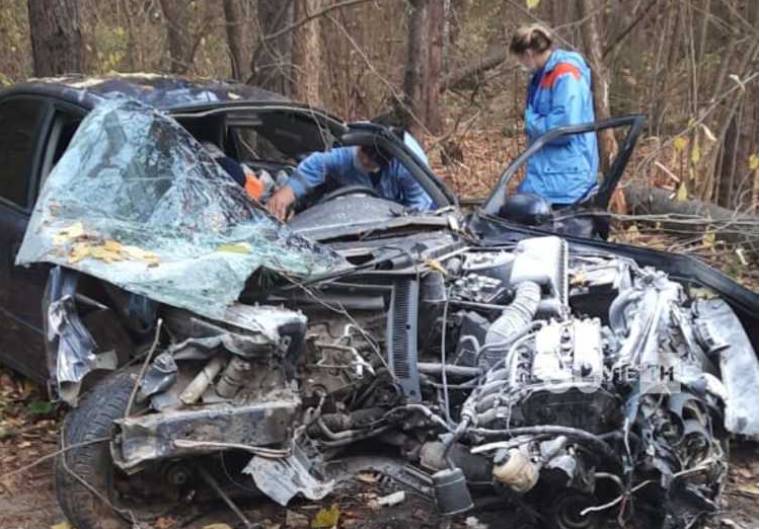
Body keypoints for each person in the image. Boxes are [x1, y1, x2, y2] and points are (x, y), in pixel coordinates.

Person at [509, 24, 599, 206]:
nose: (522, 64)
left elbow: (563, 129)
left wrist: (530, 121)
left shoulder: (565, 74)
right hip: (552, 173)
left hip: (566, 178)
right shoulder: (543, 76)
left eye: (520, 59)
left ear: (528, 54)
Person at [265, 130, 434, 220]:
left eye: (373, 162)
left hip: (391, 216)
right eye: (364, 154)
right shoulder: (347, 149)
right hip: (349, 212)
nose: (366, 162)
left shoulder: (409, 165)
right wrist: (286, 193)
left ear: (389, 162)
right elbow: (317, 164)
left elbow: (419, 208)